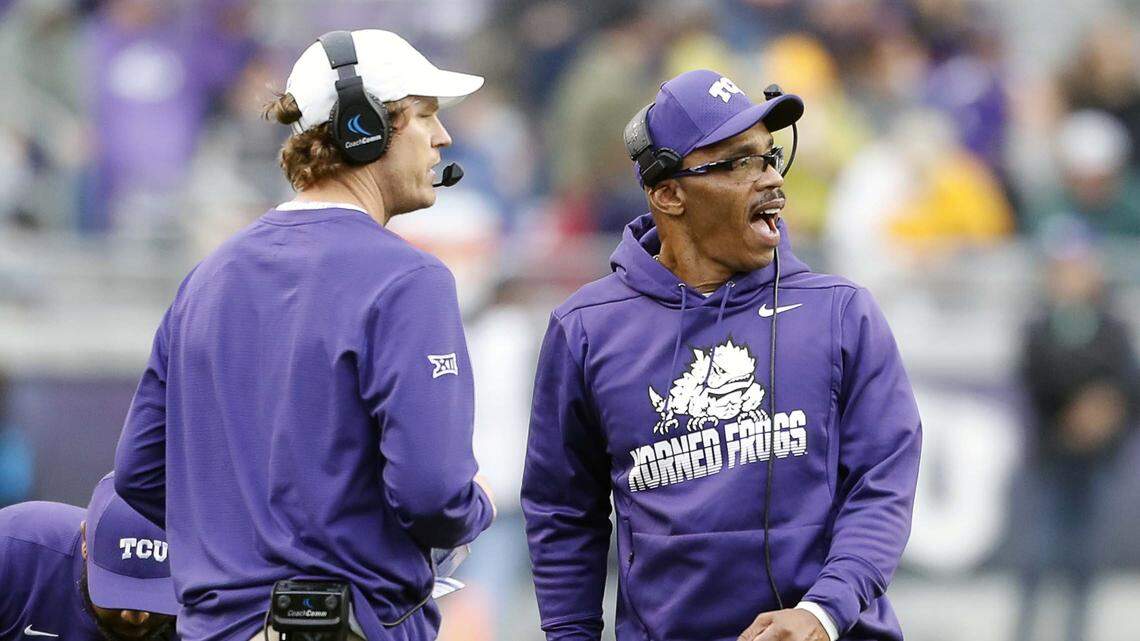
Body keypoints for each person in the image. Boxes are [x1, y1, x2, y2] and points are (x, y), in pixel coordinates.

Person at [113, 29, 496, 641]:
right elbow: (433, 494)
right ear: (366, 129)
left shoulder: (207, 278)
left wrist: (237, 550)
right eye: (425, 116)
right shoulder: (409, 278)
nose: (443, 138)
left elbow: (139, 474)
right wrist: (477, 506)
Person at [521, 69, 922, 641]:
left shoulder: (841, 312)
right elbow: (563, 515)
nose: (769, 179)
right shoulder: (586, 329)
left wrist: (824, 611)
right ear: (668, 193)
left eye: (768, 156)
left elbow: (882, 484)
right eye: (737, 163)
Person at [1014, 217, 1139, 641]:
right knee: (1037, 557)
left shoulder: (1113, 328)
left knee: (1085, 562)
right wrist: (1080, 411)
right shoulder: (1038, 328)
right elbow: (1037, 382)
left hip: (1095, 463)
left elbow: (1126, 386)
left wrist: (1107, 411)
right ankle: (1026, 631)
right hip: (1049, 461)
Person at [0, 472, 178, 641]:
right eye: (118, 592)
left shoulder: (200, 601)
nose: (135, 618)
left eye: (155, 598)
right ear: (85, 541)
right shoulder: (11, 554)